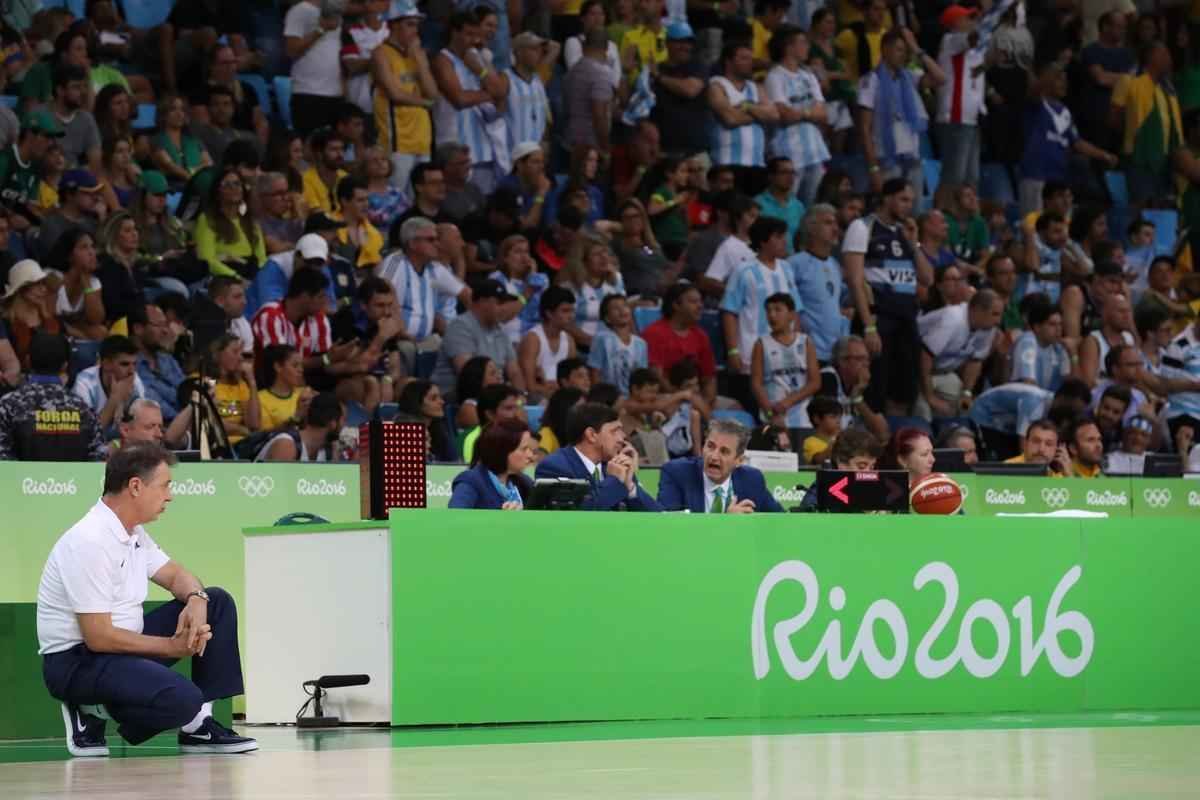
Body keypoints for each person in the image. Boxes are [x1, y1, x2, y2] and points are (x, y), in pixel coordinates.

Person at [37, 443, 256, 757]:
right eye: (165, 485)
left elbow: (176, 575)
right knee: (183, 698)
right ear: (136, 487)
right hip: (77, 662)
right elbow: (98, 637)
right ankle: (91, 709)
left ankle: (198, 726)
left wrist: (196, 598)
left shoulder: (133, 531)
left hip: (119, 648)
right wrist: (172, 647)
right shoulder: (89, 541)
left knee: (216, 601)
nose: (170, 495)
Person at [841, 177, 933, 415]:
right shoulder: (862, 227)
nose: (908, 206)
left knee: (904, 390)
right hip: (879, 318)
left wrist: (914, 244)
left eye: (911, 201)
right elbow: (854, 279)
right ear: (886, 198)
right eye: (903, 199)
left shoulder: (905, 234)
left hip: (906, 319)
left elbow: (928, 278)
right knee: (876, 388)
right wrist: (869, 326)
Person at [722, 216, 802, 413]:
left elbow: (796, 311)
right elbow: (729, 311)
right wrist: (733, 351)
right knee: (758, 412)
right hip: (752, 353)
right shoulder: (743, 271)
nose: (785, 241)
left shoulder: (787, 269)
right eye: (779, 237)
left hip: (786, 356)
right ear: (764, 241)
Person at [377, 216, 470, 373]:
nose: (437, 244)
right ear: (413, 243)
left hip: (427, 340)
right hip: (397, 340)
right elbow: (380, 299)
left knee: (461, 351)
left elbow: (466, 294)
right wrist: (401, 332)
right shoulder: (395, 262)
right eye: (431, 240)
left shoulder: (435, 268)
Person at [858, 29, 946, 194]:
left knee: (916, 212)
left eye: (906, 51)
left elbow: (941, 78)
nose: (903, 55)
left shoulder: (909, 77)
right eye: (899, 49)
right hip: (886, 160)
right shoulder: (870, 80)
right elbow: (864, 128)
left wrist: (917, 49)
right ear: (884, 49)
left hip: (912, 157)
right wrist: (873, 168)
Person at [535, 401, 663, 511]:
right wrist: (614, 481)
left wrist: (630, 487)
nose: (623, 437)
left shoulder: (617, 466)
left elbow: (659, 516)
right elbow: (578, 514)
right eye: (615, 431)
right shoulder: (555, 467)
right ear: (591, 435)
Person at [432, 11, 507, 195]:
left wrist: (479, 70)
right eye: (468, 34)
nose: (474, 40)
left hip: (484, 148)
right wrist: (488, 93)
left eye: (477, 35)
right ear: (454, 32)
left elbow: (501, 92)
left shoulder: (477, 57)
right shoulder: (443, 60)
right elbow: (459, 99)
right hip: (454, 145)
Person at [0, 332, 105, 461]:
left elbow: (2, 456)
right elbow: (98, 457)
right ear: (65, 365)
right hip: (74, 481)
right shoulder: (83, 408)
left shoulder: (9, 405)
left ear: (27, 361)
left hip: (22, 481)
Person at [371, 1, 436, 194]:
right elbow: (394, 93)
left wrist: (421, 63)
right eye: (410, 24)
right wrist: (424, 103)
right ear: (393, 25)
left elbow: (434, 93)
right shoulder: (380, 53)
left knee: (421, 198)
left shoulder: (417, 55)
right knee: (396, 197)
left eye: (416, 25)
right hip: (397, 140)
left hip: (422, 138)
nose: (415, 30)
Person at [657, 419, 785, 513]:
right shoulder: (677, 473)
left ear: (739, 461)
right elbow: (669, 526)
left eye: (724, 451)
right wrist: (724, 522)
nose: (713, 456)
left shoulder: (752, 480)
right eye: (710, 446)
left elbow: (779, 520)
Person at [914, 289, 1003, 420]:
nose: (999, 321)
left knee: (964, 408)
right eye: (995, 314)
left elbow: (975, 360)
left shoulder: (987, 327)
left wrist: (966, 393)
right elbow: (925, 355)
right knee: (924, 411)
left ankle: (953, 433)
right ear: (977, 310)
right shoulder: (953, 319)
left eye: (1000, 314)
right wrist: (930, 397)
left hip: (941, 372)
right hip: (914, 369)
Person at [765, 26, 829, 203]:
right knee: (787, 203)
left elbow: (823, 113)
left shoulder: (808, 76)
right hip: (789, 153)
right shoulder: (775, 77)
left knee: (812, 207)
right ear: (789, 47)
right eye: (803, 42)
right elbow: (785, 115)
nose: (807, 47)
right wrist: (810, 112)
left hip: (815, 151)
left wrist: (801, 112)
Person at [708, 41, 777, 193]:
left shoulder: (756, 87)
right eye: (744, 58)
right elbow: (730, 119)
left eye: (751, 59)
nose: (750, 63)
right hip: (727, 164)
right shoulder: (717, 85)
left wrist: (747, 106)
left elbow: (774, 115)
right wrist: (759, 114)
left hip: (757, 164)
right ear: (728, 61)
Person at [642, 282, 718, 408]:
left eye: (700, 302)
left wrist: (707, 402)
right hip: (665, 398)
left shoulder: (701, 335)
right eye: (693, 302)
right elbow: (656, 377)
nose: (700, 306)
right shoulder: (654, 333)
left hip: (696, 396)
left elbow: (709, 377)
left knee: (735, 407)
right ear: (676, 305)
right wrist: (682, 398)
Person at [788, 204, 847, 363]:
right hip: (808, 353)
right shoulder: (794, 264)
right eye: (828, 223)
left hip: (834, 353)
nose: (835, 229)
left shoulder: (834, 264)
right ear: (811, 229)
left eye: (835, 224)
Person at [751, 291, 820, 428]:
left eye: (777, 310)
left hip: (803, 416)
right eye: (768, 311)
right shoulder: (761, 344)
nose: (771, 315)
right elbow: (756, 384)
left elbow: (815, 382)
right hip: (773, 416)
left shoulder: (805, 341)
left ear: (791, 315)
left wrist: (787, 402)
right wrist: (770, 414)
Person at [284, 0, 345, 137]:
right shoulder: (299, 10)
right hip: (308, 93)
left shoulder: (335, 11)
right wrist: (320, 29)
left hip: (335, 94)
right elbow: (291, 50)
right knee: (310, 148)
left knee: (334, 150)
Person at [194, 167, 266, 279]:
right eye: (227, 184)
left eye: (237, 184)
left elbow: (261, 258)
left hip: (251, 270)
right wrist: (236, 277)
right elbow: (207, 259)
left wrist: (261, 277)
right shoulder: (207, 219)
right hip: (225, 274)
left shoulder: (250, 220)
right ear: (217, 192)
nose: (234, 188)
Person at [450, 419, 538, 509]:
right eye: (524, 449)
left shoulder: (524, 483)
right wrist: (499, 518)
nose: (530, 455)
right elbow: (455, 517)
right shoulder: (471, 481)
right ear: (502, 451)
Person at [650, 22, 707, 158]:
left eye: (688, 42)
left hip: (696, 151)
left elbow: (690, 90)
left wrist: (659, 77)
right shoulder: (657, 68)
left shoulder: (697, 66)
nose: (685, 47)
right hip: (665, 150)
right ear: (667, 43)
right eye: (679, 42)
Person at [561, 234, 625, 349]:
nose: (604, 257)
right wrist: (594, 343)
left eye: (605, 252)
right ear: (582, 261)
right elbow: (566, 324)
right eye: (597, 254)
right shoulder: (570, 288)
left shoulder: (616, 280)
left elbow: (625, 317)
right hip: (583, 348)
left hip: (614, 346)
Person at [72, 334, 145, 429]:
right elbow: (87, 433)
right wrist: (115, 399)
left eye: (134, 364)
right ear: (106, 364)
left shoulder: (134, 379)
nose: (132, 371)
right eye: (124, 364)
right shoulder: (84, 383)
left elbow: (143, 423)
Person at [519, 286, 577, 402]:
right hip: (536, 399)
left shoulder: (569, 340)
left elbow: (574, 381)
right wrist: (548, 388)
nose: (571, 316)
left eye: (572, 311)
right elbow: (529, 386)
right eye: (565, 311)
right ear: (549, 313)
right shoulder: (533, 339)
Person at [129, 303, 186, 421]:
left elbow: (187, 391)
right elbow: (157, 408)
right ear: (138, 329)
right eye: (159, 325)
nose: (165, 331)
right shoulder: (129, 366)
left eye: (165, 324)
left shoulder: (168, 359)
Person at [2, 259, 62, 371]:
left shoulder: (48, 318)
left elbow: (59, 351)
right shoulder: (5, 323)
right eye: (36, 284)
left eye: (43, 283)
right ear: (21, 289)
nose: (43, 289)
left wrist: (46, 315)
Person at [201, 334, 260, 445]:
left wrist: (252, 382)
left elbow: (254, 424)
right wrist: (240, 429)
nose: (240, 358)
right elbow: (208, 422)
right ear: (217, 354)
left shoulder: (241, 386)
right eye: (234, 352)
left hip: (243, 444)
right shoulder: (204, 382)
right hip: (216, 445)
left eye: (241, 353)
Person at [563, 29, 615, 153]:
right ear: (607, 47)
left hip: (570, 138)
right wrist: (605, 145)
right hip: (591, 144)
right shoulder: (601, 74)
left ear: (584, 46)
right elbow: (599, 114)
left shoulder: (572, 72)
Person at [52, 228, 108, 341]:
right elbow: (49, 317)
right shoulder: (52, 277)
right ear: (69, 255)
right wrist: (78, 333)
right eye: (84, 247)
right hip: (52, 328)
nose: (92, 252)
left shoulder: (93, 282)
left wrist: (86, 282)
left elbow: (96, 319)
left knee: (100, 332)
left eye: (92, 247)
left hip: (72, 330)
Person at [257, 390, 344, 461]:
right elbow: (276, 481)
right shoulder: (287, 445)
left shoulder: (327, 451)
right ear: (333, 423)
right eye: (343, 420)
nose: (344, 426)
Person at [588, 294, 648, 396]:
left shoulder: (641, 344)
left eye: (624, 306)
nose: (622, 310)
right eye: (615, 308)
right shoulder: (602, 339)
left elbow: (642, 376)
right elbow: (595, 372)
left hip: (633, 397)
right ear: (607, 318)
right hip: (608, 397)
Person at [1010, 295, 1073, 393]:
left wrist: (1073, 354)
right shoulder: (1027, 341)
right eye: (1052, 324)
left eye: (1060, 324)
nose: (1058, 329)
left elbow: (1073, 385)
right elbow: (1028, 384)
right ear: (1037, 327)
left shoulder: (1059, 348)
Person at [503, 32, 552, 152]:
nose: (539, 53)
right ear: (519, 53)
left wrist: (545, 141)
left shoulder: (538, 81)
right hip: (513, 154)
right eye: (534, 49)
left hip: (535, 154)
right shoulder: (504, 79)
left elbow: (546, 116)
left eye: (541, 50)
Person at [460, 383, 524, 463]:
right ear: (490, 414)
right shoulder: (474, 439)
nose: (517, 414)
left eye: (517, 407)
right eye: (509, 408)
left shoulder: (521, 434)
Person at [256, 345, 314, 433]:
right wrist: (297, 416)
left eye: (301, 365)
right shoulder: (260, 399)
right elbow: (265, 436)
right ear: (278, 367)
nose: (301, 370)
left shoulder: (305, 393)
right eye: (295, 366)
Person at [754, 158, 804, 256]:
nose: (790, 177)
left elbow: (803, 239)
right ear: (771, 176)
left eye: (792, 172)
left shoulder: (798, 206)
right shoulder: (757, 204)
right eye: (784, 172)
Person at [300, 127, 348, 217]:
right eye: (334, 149)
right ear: (319, 153)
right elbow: (318, 215)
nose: (340, 154)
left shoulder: (346, 177)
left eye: (342, 149)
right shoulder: (306, 179)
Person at [115, 398, 192, 451]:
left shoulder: (165, 459)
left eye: (160, 428)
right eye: (149, 427)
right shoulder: (106, 457)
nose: (159, 435)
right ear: (126, 430)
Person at [1003, 418, 1068, 476]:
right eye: (1036, 442)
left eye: (1049, 444)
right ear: (1025, 444)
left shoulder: (1059, 479)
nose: (1041, 449)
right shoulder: (1006, 470)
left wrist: (1069, 474)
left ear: (1056, 450)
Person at [538, 386, 585, 455]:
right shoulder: (546, 436)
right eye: (580, 408)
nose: (585, 413)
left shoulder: (575, 436)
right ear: (564, 410)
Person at [801, 395, 844, 465]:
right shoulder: (810, 442)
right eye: (833, 417)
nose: (838, 421)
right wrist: (835, 441)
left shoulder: (844, 439)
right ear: (817, 419)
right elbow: (818, 461)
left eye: (840, 417)